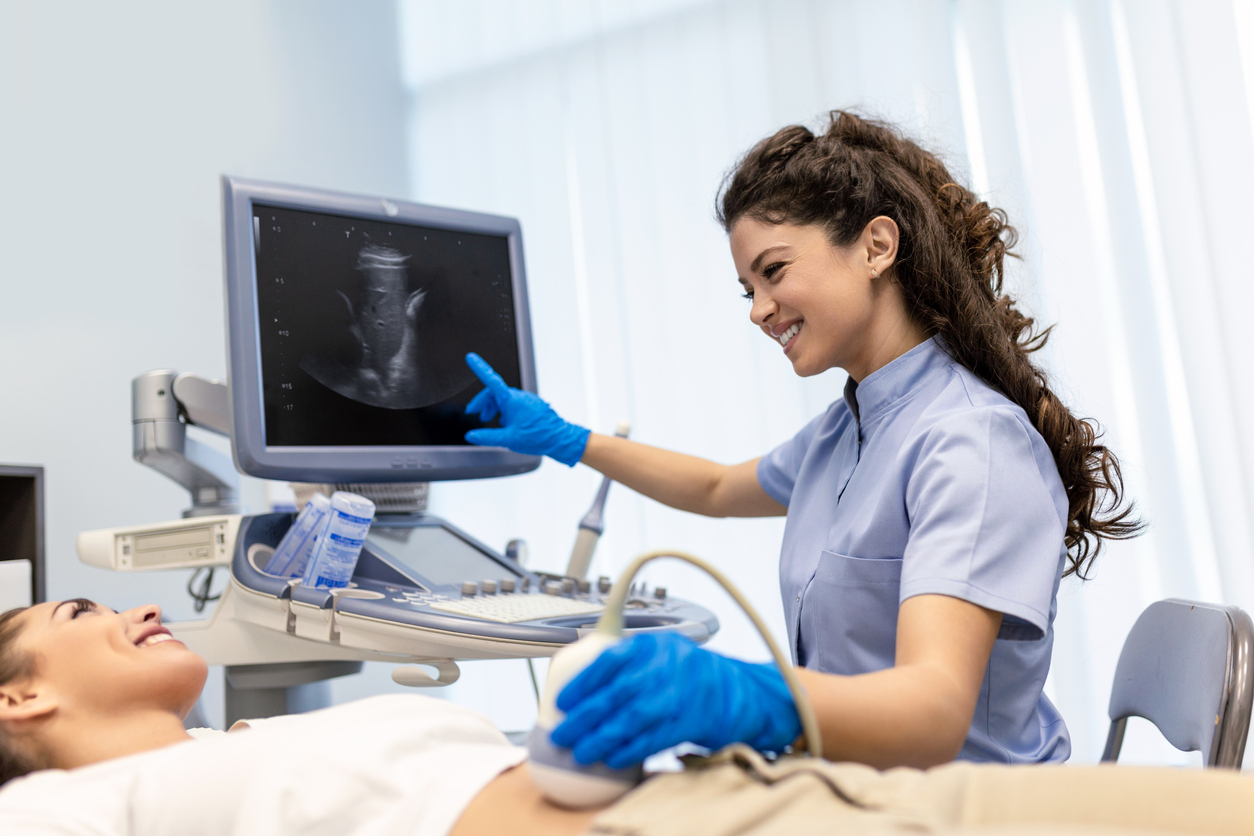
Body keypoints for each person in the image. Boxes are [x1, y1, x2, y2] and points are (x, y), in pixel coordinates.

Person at [461, 110, 1141, 771]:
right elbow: (715, 488)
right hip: (857, 790)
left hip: (970, 811)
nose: (759, 310)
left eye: (775, 271)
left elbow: (934, 712)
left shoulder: (972, 442)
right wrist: (567, 439)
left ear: (876, 247)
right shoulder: (850, 428)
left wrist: (755, 695)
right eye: (747, 290)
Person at [4, 598, 1254, 836]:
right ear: (19, 697)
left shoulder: (241, 748)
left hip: (761, 790)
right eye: (76, 606)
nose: (130, 605)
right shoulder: (70, 803)